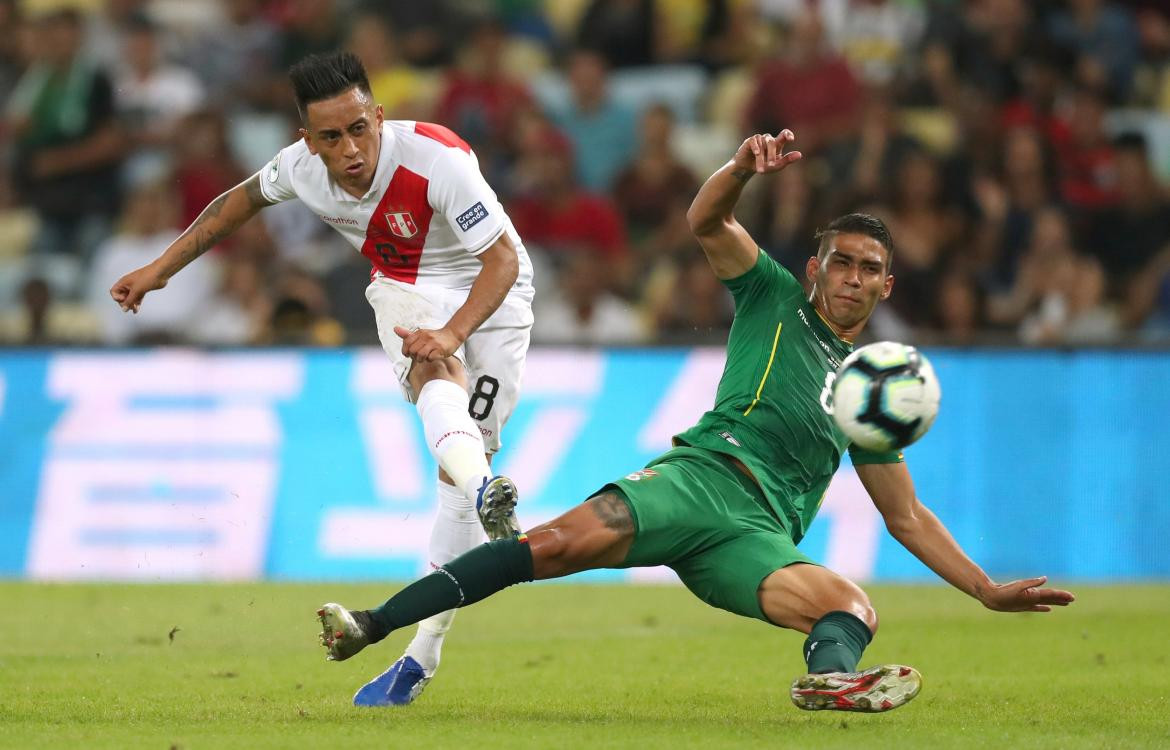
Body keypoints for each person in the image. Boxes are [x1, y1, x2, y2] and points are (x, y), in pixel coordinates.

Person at [316, 129, 1076, 712]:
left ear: (886, 284)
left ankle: (832, 683)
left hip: (759, 537)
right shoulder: (775, 296)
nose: (852, 278)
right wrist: (742, 169)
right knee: (548, 545)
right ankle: (373, 627)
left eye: (869, 269)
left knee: (850, 607)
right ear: (817, 270)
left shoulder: (868, 386)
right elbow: (705, 218)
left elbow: (905, 516)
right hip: (700, 479)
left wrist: (983, 589)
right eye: (841, 262)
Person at [109, 52, 533, 707]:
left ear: (379, 116)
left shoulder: (438, 159)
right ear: (308, 140)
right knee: (434, 377)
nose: (351, 148)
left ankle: (424, 649)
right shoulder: (300, 168)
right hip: (406, 286)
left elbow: (502, 259)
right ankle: (485, 492)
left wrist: (455, 330)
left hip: (494, 295)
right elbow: (236, 203)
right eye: (331, 137)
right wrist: (162, 268)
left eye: (360, 128)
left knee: (454, 474)